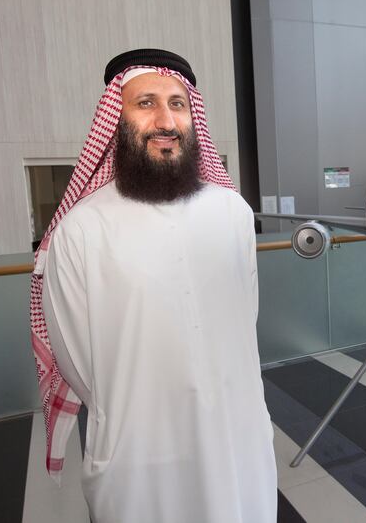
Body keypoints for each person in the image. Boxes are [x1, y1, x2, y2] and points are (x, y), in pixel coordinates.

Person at [29, 49, 277, 522]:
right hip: (137, 456)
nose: (166, 119)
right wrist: (137, 398)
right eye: (146, 103)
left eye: (178, 104)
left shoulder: (233, 214)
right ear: (116, 119)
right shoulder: (81, 229)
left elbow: (245, 320)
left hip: (237, 442)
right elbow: (77, 363)